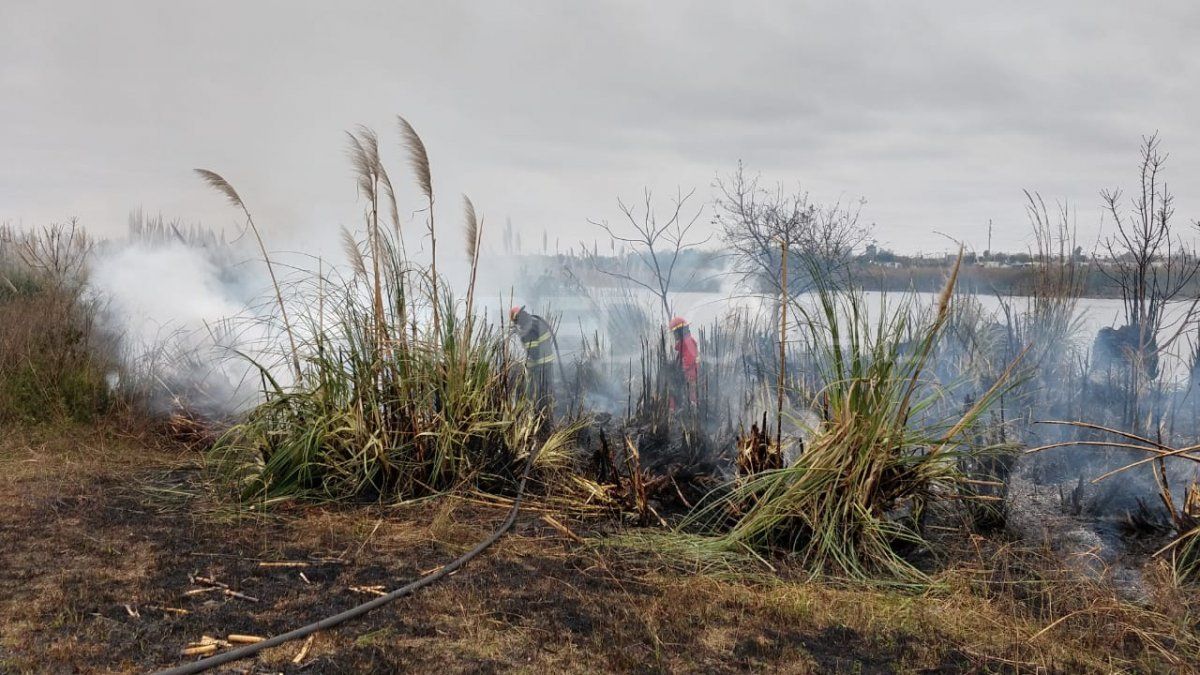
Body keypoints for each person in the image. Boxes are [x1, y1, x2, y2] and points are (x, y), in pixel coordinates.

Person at [510, 305, 557, 412]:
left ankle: (535, 409)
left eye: (515, 322)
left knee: (534, 389)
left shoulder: (527, 330)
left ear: (517, 319)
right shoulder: (535, 321)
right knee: (548, 385)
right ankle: (551, 407)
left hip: (539, 364)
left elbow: (534, 353)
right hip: (548, 360)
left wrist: (527, 365)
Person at [669, 316, 699, 407]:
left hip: (689, 384)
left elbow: (688, 365)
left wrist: (677, 372)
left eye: (675, 333)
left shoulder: (688, 344)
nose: (674, 335)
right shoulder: (684, 344)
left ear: (679, 332)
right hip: (687, 384)